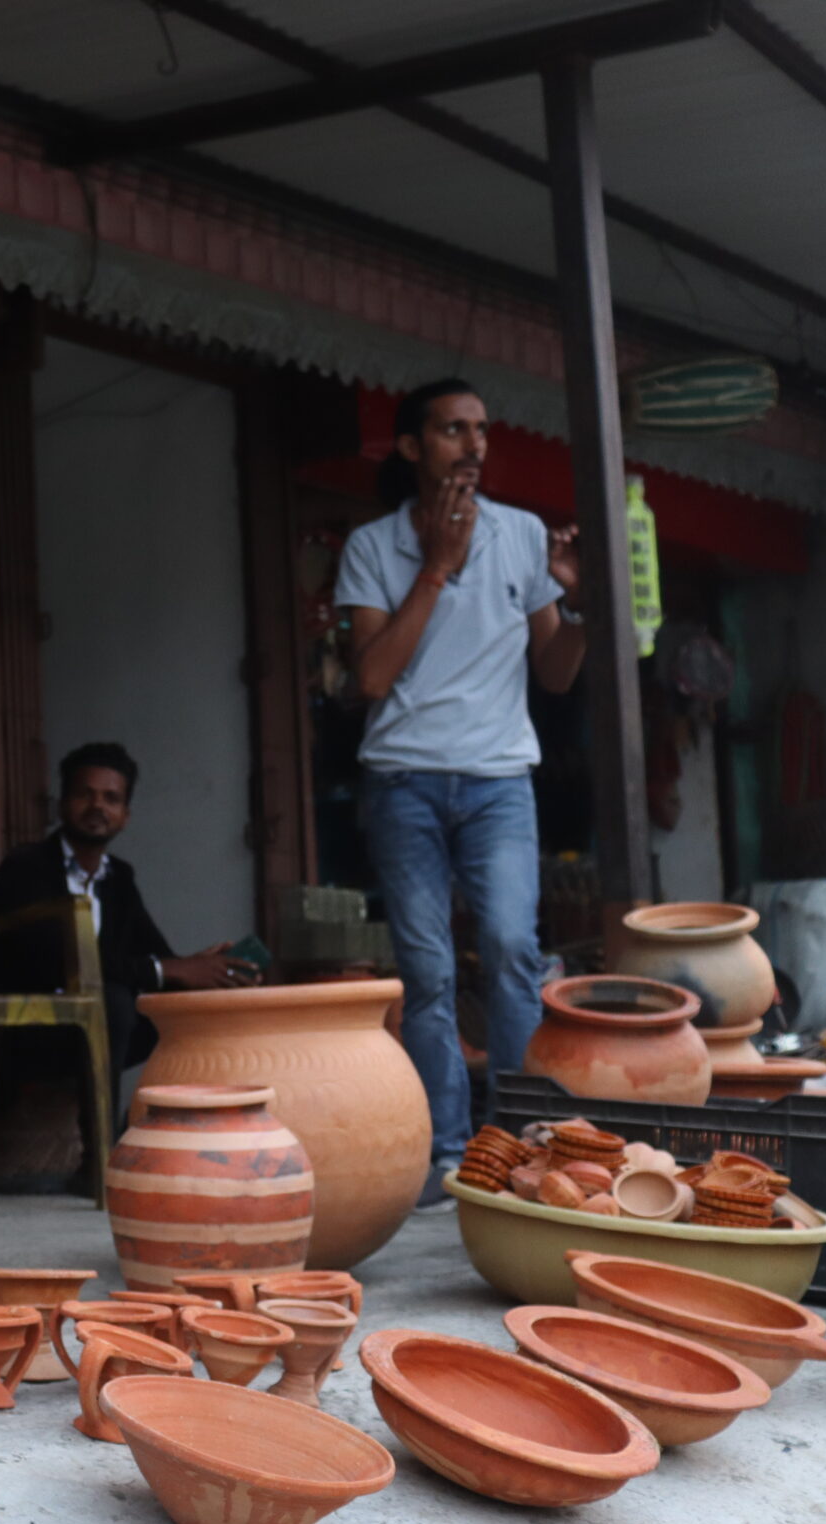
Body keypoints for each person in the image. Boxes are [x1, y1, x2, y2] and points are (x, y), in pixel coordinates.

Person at [337, 378, 587, 1205]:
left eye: (482, 429)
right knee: (428, 971)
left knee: (516, 949)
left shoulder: (521, 536)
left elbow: (555, 673)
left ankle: (517, 1149)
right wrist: (438, 569)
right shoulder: (372, 546)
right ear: (412, 447)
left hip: (499, 781)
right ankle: (448, 1155)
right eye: (452, 430)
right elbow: (371, 676)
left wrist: (573, 599)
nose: (474, 444)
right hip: (403, 781)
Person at [0, 743, 262, 1191]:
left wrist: (206, 966)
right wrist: (171, 969)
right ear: (63, 803)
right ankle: (96, 1161)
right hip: (24, 1029)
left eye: (111, 798)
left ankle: (156, 1137)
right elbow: (56, 961)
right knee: (116, 1003)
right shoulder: (25, 867)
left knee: (181, 1008)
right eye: (86, 794)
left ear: (125, 813)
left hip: (95, 1028)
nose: (97, 807)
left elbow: (157, 958)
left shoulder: (118, 878)